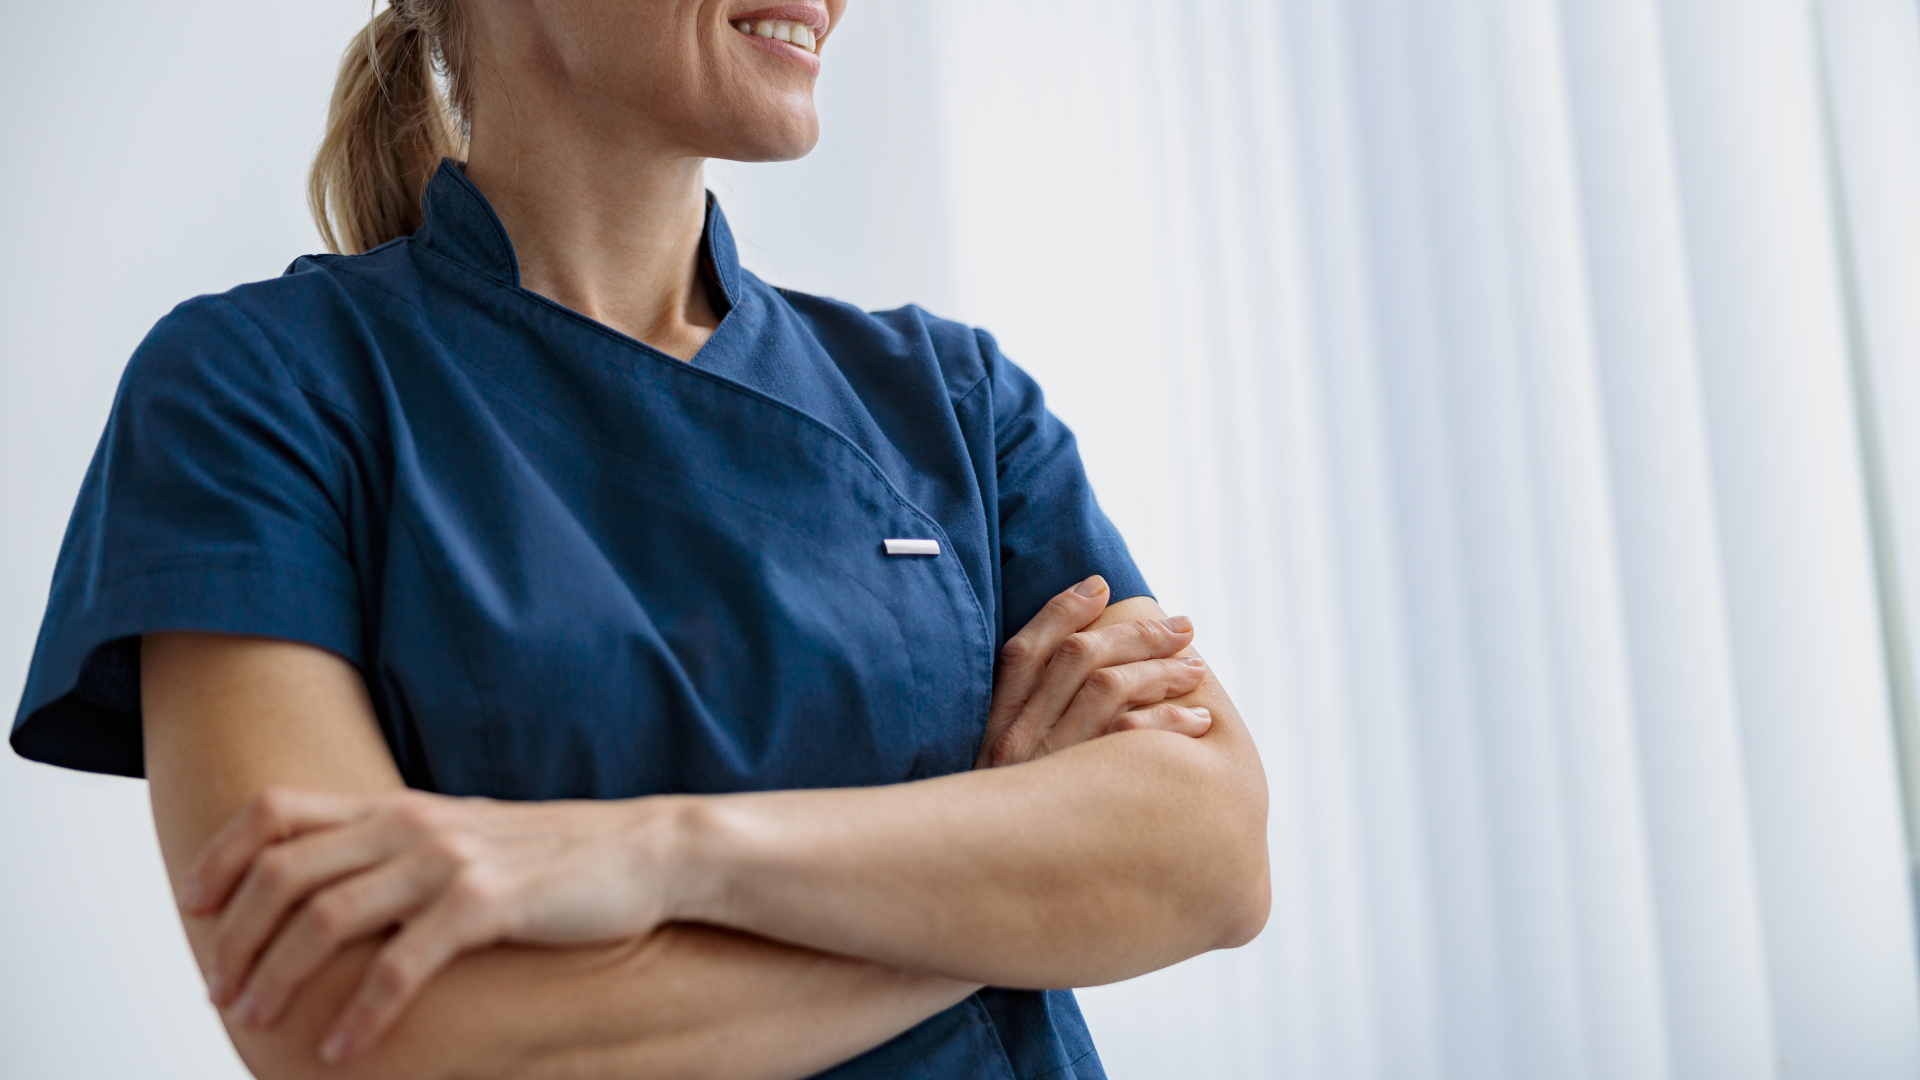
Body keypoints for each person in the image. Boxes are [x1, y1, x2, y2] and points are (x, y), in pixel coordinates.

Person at [8, 1, 1271, 1077]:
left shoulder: (952, 401)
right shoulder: (259, 391)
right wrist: (1003, 881)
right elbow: (354, 1020)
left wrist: (654, 855)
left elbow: (1212, 855)